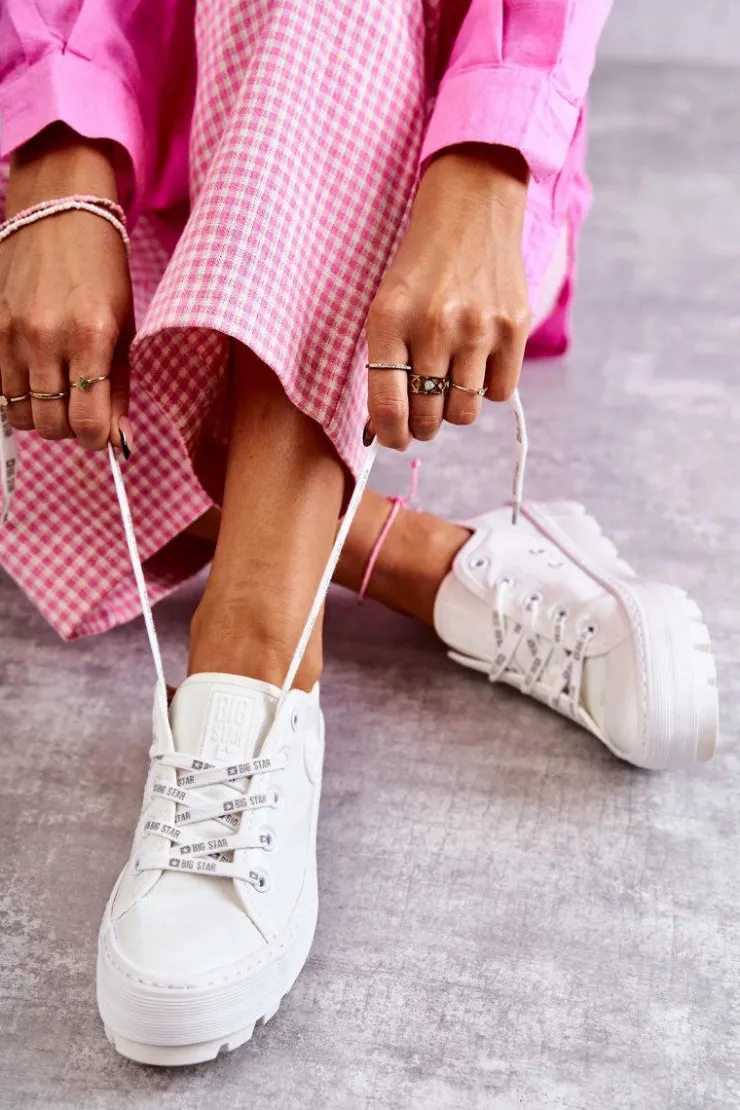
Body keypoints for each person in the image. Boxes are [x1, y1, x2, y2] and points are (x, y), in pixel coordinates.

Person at [0, 0, 717, 1067]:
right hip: (119, 159)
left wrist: (490, 149)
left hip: (380, 133)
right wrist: (56, 145)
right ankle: (428, 561)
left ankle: (252, 653)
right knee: (50, 362)